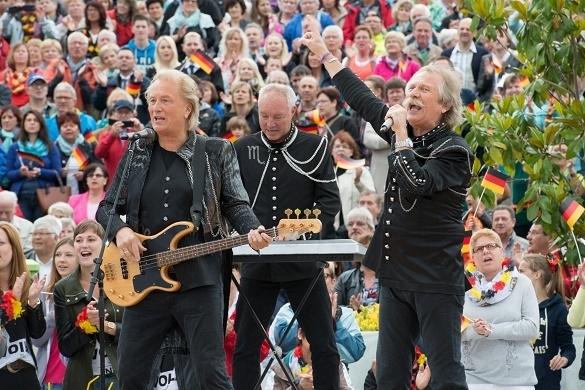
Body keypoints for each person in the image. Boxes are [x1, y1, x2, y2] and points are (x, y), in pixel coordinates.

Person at [300, 31, 473, 388]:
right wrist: (328, 57)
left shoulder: (454, 150)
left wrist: (400, 135)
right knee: (390, 372)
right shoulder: (401, 131)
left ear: (444, 106)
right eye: (410, 88)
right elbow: (362, 98)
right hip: (396, 273)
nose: (412, 93)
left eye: (423, 90)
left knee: (446, 373)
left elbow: (418, 183)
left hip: (436, 277)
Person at [95, 69, 271, 389]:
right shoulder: (137, 152)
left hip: (199, 281)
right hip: (144, 281)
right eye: (152, 100)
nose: (156, 108)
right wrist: (121, 232)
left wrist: (254, 229)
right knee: (130, 376)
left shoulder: (215, 150)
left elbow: (235, 204)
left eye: (165, 100)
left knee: (210, 375)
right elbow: (106, 208)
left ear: (188, 108)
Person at [233, 82, 341, 390]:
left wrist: (304, 236)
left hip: (303, 263)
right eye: (264, 116)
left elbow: (329, 200)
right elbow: (233, 201)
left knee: (323, 343)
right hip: (256, 261)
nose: (269, 123)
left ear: (293, 111)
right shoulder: (242, 148)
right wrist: (247, 230)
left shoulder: (315, 146)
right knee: (245, 345)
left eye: (278, 116)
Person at [462, 228, 540, 389]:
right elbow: (451, 329)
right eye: (479, 249)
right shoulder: (460, 285)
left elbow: (532, 328)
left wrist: (492, 330)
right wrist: (474, 331)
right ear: (473, 257)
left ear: (502, 251)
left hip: (516, 381)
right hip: (472, 380)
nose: (485, 251)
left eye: (491, 246)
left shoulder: (522, 282)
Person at [53, 221, 123, 389]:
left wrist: (107, 326)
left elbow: (139, 333)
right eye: (79, 240)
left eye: (91, 239)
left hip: (122, 375)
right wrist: (85, 325)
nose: (84, 245)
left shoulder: (122, 279)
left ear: (105, 244)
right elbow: (65, 348)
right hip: (82, 380)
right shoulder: (62, 288)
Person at [518, 253, 576, 390]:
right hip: (517, 382)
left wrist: (563, 359)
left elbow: (568, 348)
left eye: (521, 271)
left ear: (537, 274)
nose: (516, 275)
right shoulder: (515, 305)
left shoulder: (558, 309)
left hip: (546, 384)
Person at [0, 222, 46, 387]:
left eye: (1, 243)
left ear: (14, 248)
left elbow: (37, 333)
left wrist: (33, 302)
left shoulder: (22, 284)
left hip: (26, 377)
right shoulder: (16, 292)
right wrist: (11, 302)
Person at [32, 237, 77, 390]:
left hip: (81, 376)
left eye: (69, 255)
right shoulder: (46, 293)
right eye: (58, 255)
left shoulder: (90, 291)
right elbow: (37, 341)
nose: (62, 260)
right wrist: (53, 315)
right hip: (51, 376)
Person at [5, 110, 62, 221]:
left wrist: (40, 172)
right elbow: (9, 174)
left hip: (44, 194)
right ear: (23, 124)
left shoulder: (50, 146)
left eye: (35, 120)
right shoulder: (15, 147)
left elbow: (57, 172)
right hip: (21, 194)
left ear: (41, 124)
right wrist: (20, 172)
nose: (32, 123)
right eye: (29, 120)